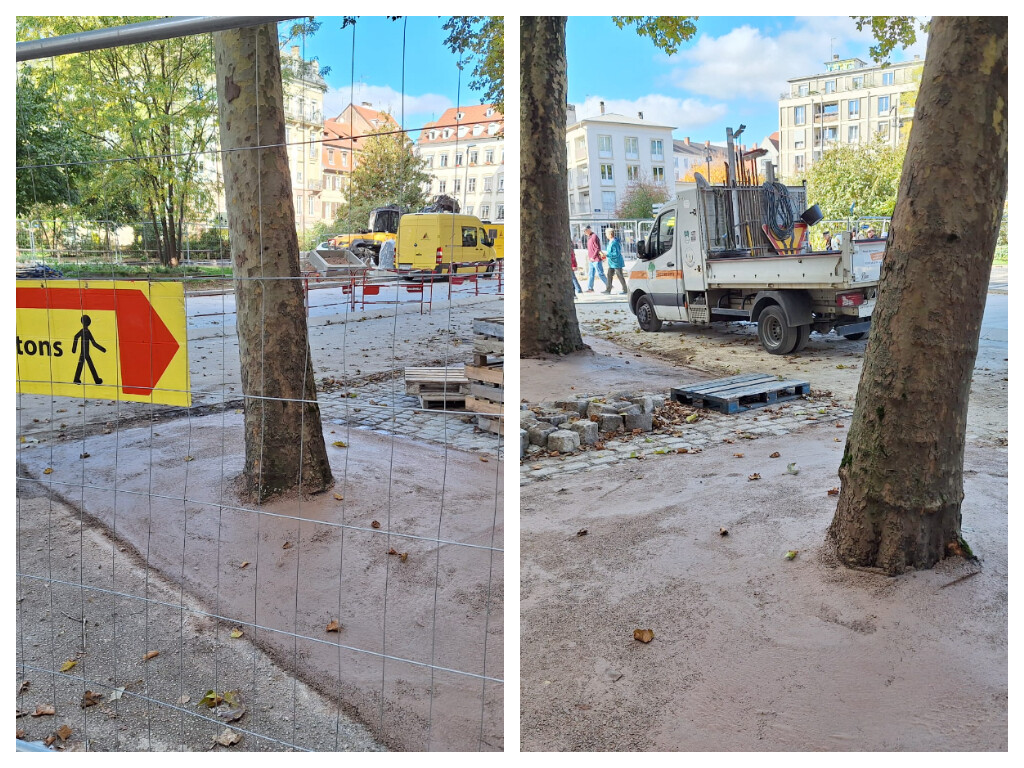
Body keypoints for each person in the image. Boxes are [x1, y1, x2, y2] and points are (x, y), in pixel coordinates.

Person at [603, 227, 628, 294]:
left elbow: (616, 253)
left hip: (616, 262)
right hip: (612, 263)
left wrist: (607, 255)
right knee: (609, 275)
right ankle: (608, 289)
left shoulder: (614, 243)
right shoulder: (611, 242)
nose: (606, 235)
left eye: (606, 234)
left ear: (610, 234)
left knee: (620, 275)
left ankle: (625, 289)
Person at [583, 225, 608, 292]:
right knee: (591, 274)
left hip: (596, 259)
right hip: (591, 259)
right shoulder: (589, 237)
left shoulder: (594, 236)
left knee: (600, 274)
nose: (584, 232)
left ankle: (609, 285)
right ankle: (590, 288)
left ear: (589, 229)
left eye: (585, 230)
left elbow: (597, 248)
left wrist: (593, 257)